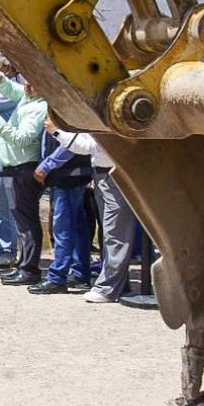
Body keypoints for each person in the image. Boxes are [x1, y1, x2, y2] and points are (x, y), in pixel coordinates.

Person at [44, 118, 135, 303]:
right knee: (111, 232)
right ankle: (118, 283)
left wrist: (57, 132)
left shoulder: (108, 118)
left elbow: (90, 146)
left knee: (114, 232)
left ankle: (108, 288)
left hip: (112, 173)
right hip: (103, 173)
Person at [0, 72, 48, 286]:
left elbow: (22, 139)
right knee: (21, 221)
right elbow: (13, 89)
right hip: (15, 168)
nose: (27, 84)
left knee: (27, 221)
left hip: (24, 169)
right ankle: (24, 265)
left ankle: (30, 269)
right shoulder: (29, 96)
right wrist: (1, 80)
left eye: (32, 81)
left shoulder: (39, 107)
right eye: (27, 79)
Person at [29, 119, 95, 294]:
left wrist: (47, 165)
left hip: (66, 176)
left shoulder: (67, 110)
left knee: (63, 229)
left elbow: (71, 144)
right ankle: (80, 273)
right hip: (69, 175)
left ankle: (57, 277)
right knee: (77, 227)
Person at [0, 55, 21, 269]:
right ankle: (0, 245)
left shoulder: (11, 91)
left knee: (2, 205)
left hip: (4, 155)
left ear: (8, 69)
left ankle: (8, 250)